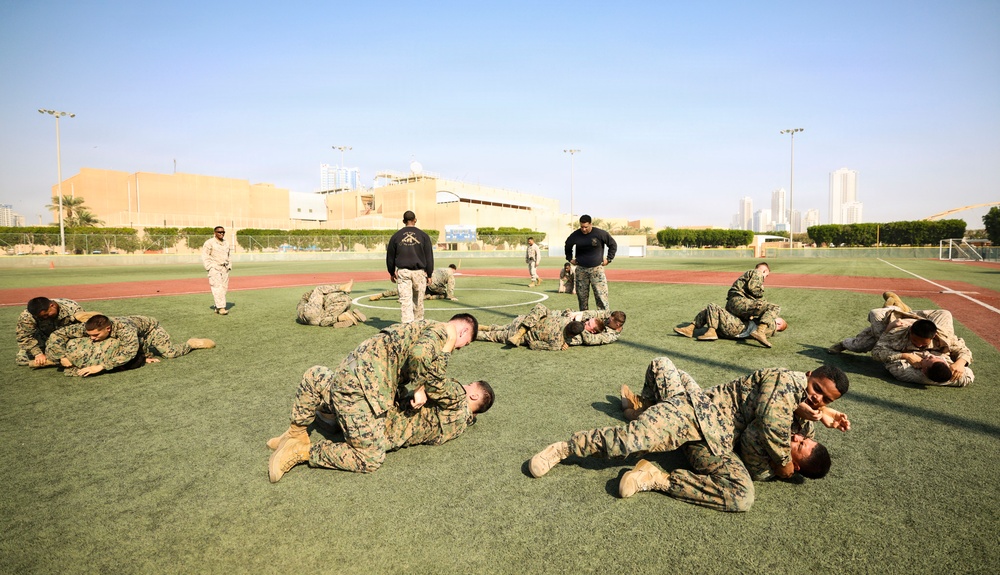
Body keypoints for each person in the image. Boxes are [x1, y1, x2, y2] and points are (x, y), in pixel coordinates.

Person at [529, 357, 850, 512]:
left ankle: (655, 475)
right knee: (631, 439)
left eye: (825, 398)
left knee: (743, 497)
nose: (817, 398)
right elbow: (769, 420)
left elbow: (785, 431)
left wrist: (819, 414)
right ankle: (562, 449)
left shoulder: (801, 411)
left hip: (718, 443)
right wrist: (782, 461)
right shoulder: (786, 382)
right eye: (816, 389)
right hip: (697, 414)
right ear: (808, 376)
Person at [267, 313, 480, 482]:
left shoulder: (423, 325)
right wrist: (424, 381)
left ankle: (296, 432)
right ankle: (301, 450)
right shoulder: (444, 334)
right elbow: (420, 355)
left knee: (316, 376)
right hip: (362, 391)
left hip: (350, 373)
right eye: (465, 343)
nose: (460, 349)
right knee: (370, 457)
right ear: (462, 331)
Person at [266, 373, 494, 475]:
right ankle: (323, 423)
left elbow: (434, 378)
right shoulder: (462, 423)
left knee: (319, 377)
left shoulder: (456, 402)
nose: (464, 385)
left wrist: (422, 389)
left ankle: (298, 445)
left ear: (473, 397)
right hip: (384, 435)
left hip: (376, 418)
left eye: (469, 386)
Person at [46, 314, 215, 377]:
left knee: (169, 353)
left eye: (96, 335)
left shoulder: (124, 330)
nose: (92, 339)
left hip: (150, 330)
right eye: (90, 335)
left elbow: (129, 352)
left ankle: (191, 344)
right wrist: (61, 356)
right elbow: (57, 335)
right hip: (135, 334)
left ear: (108, 328)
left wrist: (101, 366)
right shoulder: (90, 328)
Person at [871, 311, 974, 387]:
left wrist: (905, 355)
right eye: (916, 341)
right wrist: (960, 363)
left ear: (923, 371)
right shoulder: (961, 377)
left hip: (898, 326)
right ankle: (910, 314)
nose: (919, 345)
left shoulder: (902, 371)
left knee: (875, 315)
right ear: (946, 363)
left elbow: (877, 352)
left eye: (928, 358)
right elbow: (968, 371)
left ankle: (900, 311)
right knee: (945, 313)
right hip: (916, 327)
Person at [476, 303, 614, 350]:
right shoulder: (558, 342)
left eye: (588, 324)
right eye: (587, 321)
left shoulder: (564, 319)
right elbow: (533, 344)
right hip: (521, 333)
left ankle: (487, 327)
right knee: (492, 336)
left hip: (522, 321)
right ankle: (472, 333)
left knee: (500, 328)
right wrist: (560, 346)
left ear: (593, 331)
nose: (586, 322)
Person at [827, 291, 918, 354]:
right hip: (896, 328)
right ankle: (896, 307)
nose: (920, 345)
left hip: (897, 335)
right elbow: (875, 314)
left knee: (862, 344)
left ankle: (896, 305)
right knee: (860, 345)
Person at [385, 210, 434, 323]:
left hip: (403, 272)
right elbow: (429, 257)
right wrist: (429, 274)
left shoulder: (396, 236)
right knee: (418, 301)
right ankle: (418, 324)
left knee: (405, 300)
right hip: (419, 272)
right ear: (415, 220)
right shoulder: (423, 236)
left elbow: (390, 257)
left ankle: (407, 326)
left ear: (403, 221)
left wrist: (391, 272)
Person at [564, 214, 617, 311]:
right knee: (582, 298)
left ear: (591, 224)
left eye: (586, 227)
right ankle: (585, 321)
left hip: (596, 270)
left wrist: (609, 259)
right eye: (582, 227)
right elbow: (568, 245)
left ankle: (604, 319)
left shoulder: (600, 234)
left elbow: (613, 245)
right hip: (581, 270)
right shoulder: (575, 235)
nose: (583, 229)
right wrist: (570, 258)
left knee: (601, 297)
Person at [15, 297, 85, 367]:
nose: (45, 318)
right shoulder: (27, 316)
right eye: (41, 317)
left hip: (66, 339)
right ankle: (57, 359)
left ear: (52, 306)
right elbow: (24, 337)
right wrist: (38, 354)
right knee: (22, 359)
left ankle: (55, 359)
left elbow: (84, 327)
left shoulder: (72, 308)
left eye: (46, 314)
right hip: (44, 338)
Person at [674, 302, 787, 345]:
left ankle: (711, 331)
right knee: (708, 310)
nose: (775, 317)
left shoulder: (770, 325)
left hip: (737, 327)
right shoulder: (766, 327)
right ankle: (691, 328)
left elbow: (766, 314)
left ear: (779, 326)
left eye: (779, 320)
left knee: (712, 306)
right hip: (735, 329)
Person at [725, 262, 779, 348]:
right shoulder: (757, 272)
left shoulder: (748, 275)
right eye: (766, 276)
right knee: (774, 307)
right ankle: (760, 331)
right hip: (739, 302)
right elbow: (754, 289)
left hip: (733, 304)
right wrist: (762, 299)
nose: (764, 279)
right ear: (764, 271)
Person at [296, 281, 366, 327]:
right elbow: (309, 295)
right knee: (319, 289)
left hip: (316, 319)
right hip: (312, 314)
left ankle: (341, 318)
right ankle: (343, 288)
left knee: (324, 319)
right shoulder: (306, 298)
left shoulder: (310, 304)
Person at [370, 265, 457, 301]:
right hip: (433, 286)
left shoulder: (441, 269)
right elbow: (450, 286)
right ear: (453, 270)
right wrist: (451, 296)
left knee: (405, 288)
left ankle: (382, 295)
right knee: (444, 294)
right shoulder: (450, 274)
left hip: (426, 280)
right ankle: (428, 296)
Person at [202, 226, 233, 315]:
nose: (221, 233)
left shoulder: (226, 243)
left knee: (224, 288)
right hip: (214, 268)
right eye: (219, 232)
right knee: (217, 287)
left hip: (225, 268)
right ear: (215, 233)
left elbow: (229, 255)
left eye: (223, 232)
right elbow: (205, 255)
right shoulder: (209, 243)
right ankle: (221, 308)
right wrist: (209, 267)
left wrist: (229, 265)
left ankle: (217, 305)